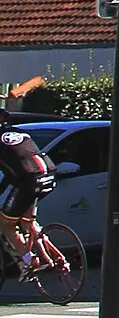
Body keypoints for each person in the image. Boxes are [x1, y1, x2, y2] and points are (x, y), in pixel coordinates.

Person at [0, 112, 56, 270]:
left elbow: (11, 174)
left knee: (5, 224)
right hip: (48, 175)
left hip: (28, 182)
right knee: (27, 221)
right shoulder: (18, 132)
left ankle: (29, 260)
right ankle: (54, 257)